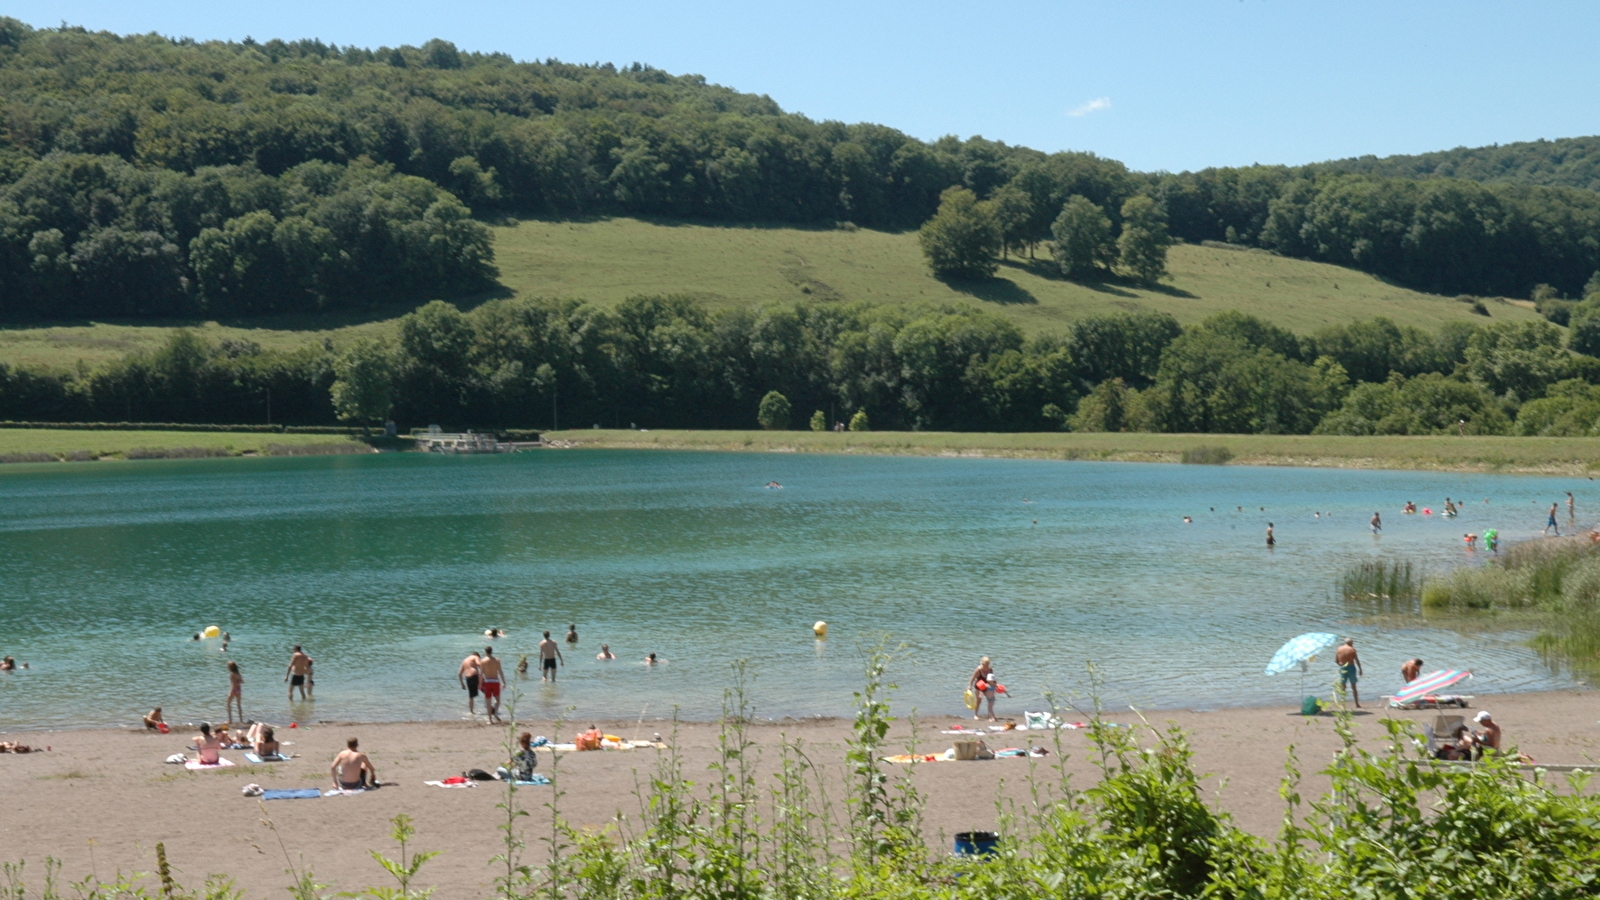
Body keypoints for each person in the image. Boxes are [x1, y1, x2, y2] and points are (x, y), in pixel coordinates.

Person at [1335, 638, 1363, 708]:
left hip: (1342, 667)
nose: (1352, 644)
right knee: (1353, 686)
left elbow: (1336, 660)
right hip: (1351, 667)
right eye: (1352, 643)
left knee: (1343, 686)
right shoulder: (1352, 649)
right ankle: (1356, 703)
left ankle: (1342, 703)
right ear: (1350, 643)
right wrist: (1360, 669)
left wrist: (1342, 665)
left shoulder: (1339, 649)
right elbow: (1357, 660)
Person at [479, 646, 504, 723]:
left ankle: (490, 720)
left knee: (488, 701)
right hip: (495, 681)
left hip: (487, 681)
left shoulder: (482, 661)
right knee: (497, 700)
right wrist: (504, 682)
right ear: (491, 651)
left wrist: (480, 684)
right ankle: (495, 713)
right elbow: (500, 672)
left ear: (486, 652)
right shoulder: (496, 660)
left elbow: (481, 674)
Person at [969, 656, 998, 722]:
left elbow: (992, 679)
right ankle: (976, 714)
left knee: (990, 700)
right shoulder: (978, 669)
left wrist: (996, 685)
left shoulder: (990, 669)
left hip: (987, 686)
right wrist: (969, 686)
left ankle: (990, 715)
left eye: (988, 664)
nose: (986, 666)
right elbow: (972, 678)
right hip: (979, 686)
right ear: (982, 664)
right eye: (985, 665)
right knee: (979, 700)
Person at [459, 650, 481, 715]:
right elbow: (479, 664)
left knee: (471, 696)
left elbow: (459, 674)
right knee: (486, 690)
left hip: (468, 678)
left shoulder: (464, 661)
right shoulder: (475, 657)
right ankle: (490, 708)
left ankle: (471, 712)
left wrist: (462, 684)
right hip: (475, 676)